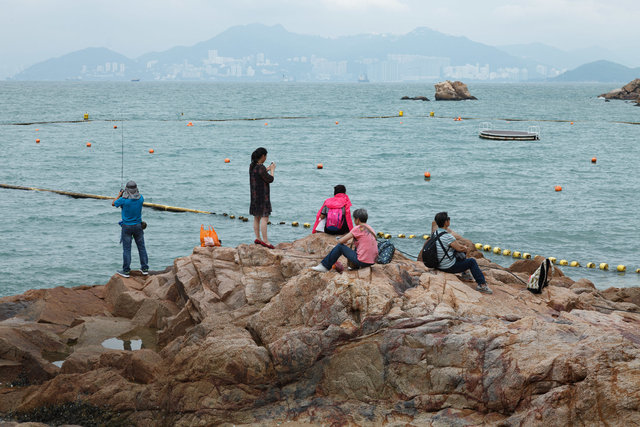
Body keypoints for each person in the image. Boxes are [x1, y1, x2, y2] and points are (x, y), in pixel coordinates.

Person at [431, 212, 492, 294]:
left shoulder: (435, 233)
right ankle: (482, 285)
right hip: (447, 267)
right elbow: (460, 248)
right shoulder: (448, 236)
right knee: (472, 261)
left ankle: (466, 274)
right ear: (446, 222)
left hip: (438, 264)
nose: (449, 219)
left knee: (457, 252)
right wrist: (465, 248)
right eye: (448, 218)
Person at [312, 208, 378, 272]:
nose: (354, 220)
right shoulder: (370, 228)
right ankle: (354, 266)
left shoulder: (358, 228)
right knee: (357, 245)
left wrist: (341, 240)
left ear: (357, 220)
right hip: (372, 261)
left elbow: (341, 241)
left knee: (340, 247)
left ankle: (325, 266)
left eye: (354, 219)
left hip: (363, 262)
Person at [112, 181, 149, 278]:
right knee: (141, 247)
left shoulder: (123, 200)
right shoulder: (141, 198)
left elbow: (113, 203)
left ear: (127, 190)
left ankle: (126, 271)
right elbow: (135, 198)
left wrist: (120, 194)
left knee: (127, 249)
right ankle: (145, 268)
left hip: (127, 227)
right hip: (138, 226)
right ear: (136, 189)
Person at [250, 147, 275, 249]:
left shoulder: (252, 166)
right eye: (266, 156)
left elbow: (261, 173)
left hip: (254, 197)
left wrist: (267, 168)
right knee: (265, 218)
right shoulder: (261, 168)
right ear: (263, 156)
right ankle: (266, 241)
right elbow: (270, 179)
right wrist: (272, 170)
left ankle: (258, 238)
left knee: (256, 217)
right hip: (262, 197)